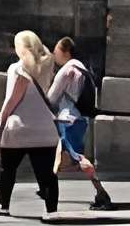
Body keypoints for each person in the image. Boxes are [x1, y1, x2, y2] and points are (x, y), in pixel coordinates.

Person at [0, 30, 60, 217]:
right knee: (47, 174)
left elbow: (13, 99)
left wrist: (1, 121)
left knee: (8, 169)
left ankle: (3, 206)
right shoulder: (47, 66)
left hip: (19, 128)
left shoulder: (17, 69)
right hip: (45, 128)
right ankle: (52, 210)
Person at [45, 36, 118, 211]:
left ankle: (102, 193)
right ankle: (46, 187)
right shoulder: (84, 69)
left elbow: (51, 98)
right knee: (59, 154)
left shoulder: (67, 70)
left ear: (65, 51)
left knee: (78, 158)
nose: (54, 55)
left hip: (67, 119)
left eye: (56, 51)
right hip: (80, 120)